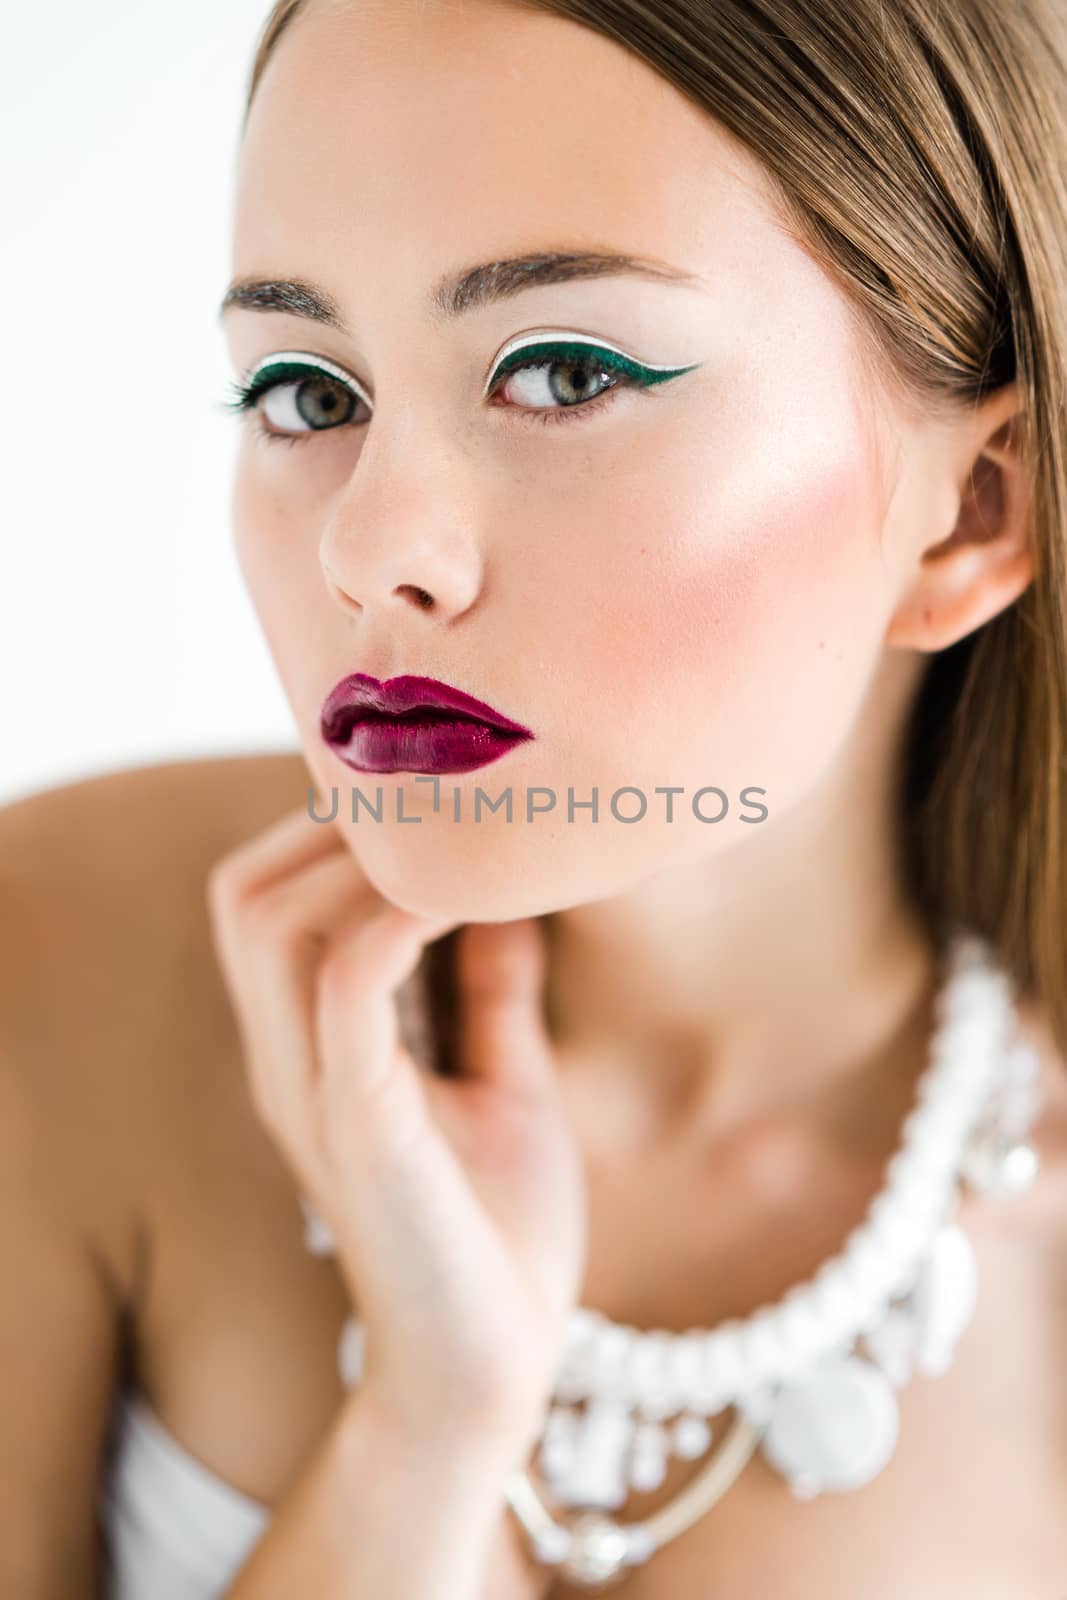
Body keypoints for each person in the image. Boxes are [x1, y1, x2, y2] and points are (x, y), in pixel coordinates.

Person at [3, 0, 1066, 1594]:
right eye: (305, 391)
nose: (372, 548)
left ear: (968, 512)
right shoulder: (54, 958)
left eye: (562, 371)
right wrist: (428, 1430)